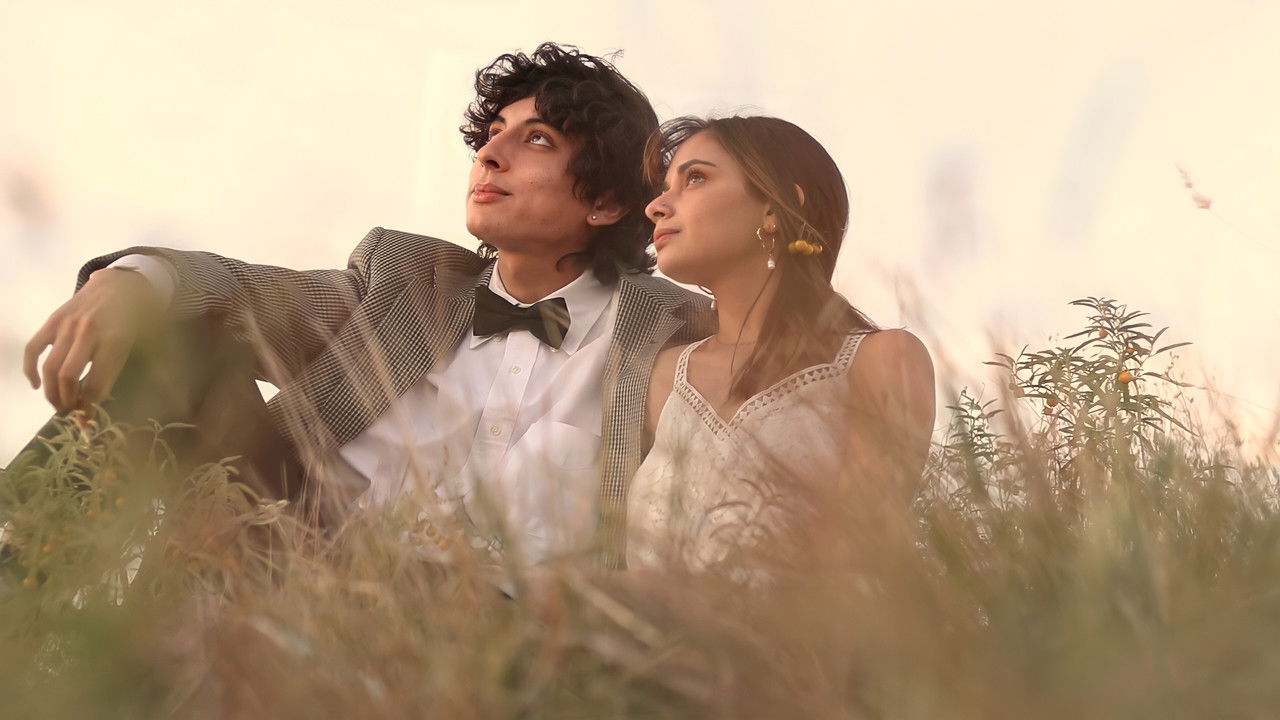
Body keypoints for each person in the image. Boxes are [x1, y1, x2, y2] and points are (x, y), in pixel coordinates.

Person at [19, 43, 714, 569]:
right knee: (179, 337)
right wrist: (134, 282)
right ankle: (12, 562)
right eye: (491, 134)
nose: (490, 155)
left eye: (536, 139)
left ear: (607, 201)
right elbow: (242, 292)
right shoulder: (404, 279)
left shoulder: (672, 329)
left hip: (508, 637)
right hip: (290, 580)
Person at [627, 116, 935, 571]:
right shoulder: (665, 375)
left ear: (775, 207)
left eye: (695, 178)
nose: (656, 206)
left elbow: (844, 576)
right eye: (663, 187)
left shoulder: (884, 360)